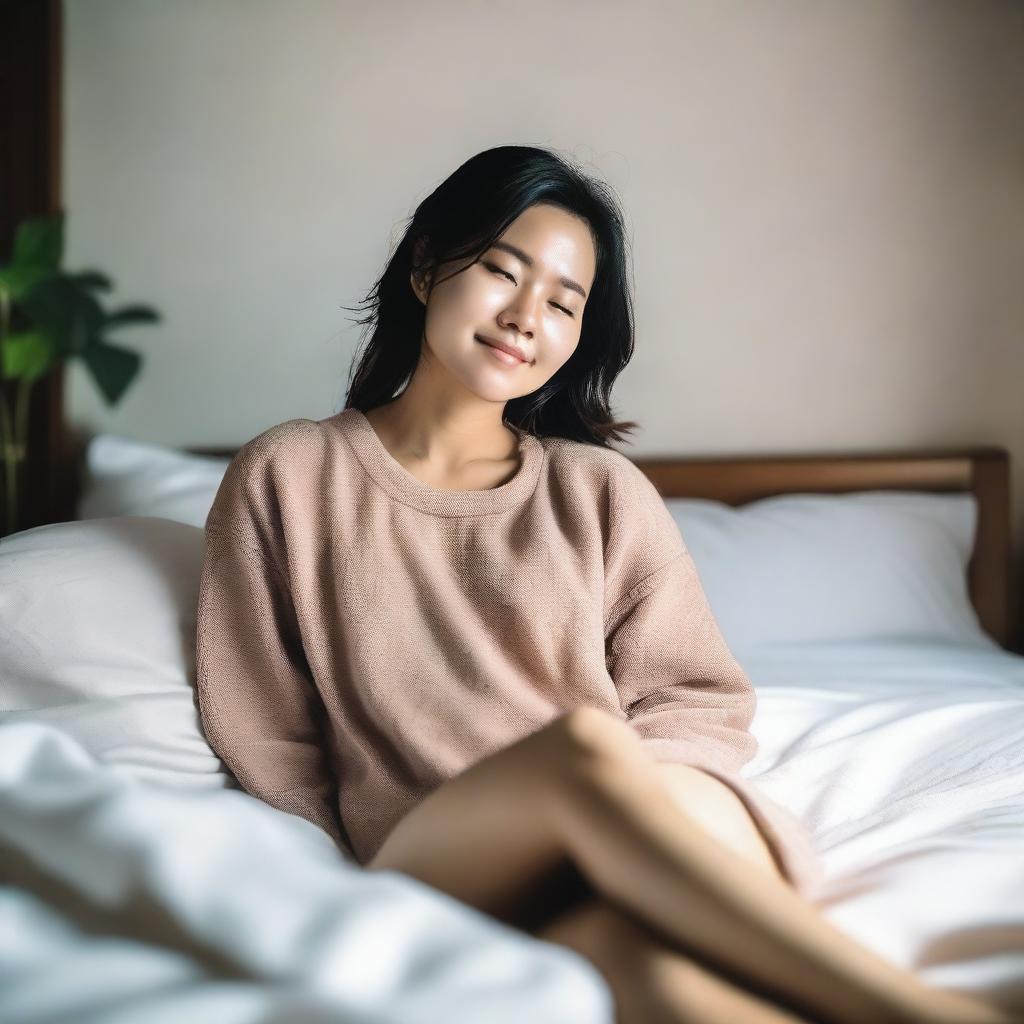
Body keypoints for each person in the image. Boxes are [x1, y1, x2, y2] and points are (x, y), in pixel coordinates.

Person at [195, 145, 1011, 1024]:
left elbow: (694, 702)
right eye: (503, 272)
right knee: (584, 749)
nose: (524, 317)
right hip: (435, 856)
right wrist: (327, 904)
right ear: (428, 265)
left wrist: (631, 831)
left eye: (562, 302)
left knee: (645, 972)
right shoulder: (291, 471)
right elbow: (271, 740)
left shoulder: (600, 491)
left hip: (624, 828)